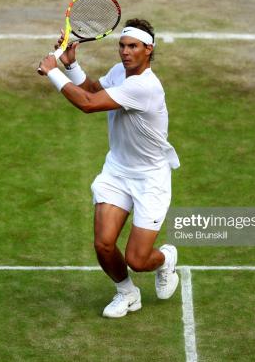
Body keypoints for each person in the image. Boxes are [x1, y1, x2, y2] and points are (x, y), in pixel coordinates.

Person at [37, 19, 180, 318]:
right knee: (103, 244)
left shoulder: (144, 87)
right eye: (123, 45)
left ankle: (165, 259)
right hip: (118, 171)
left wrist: (52, 71)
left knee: (138, 259)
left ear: (148, 50)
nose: (125, 52)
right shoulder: (120, 72)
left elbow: (88, 104)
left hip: (150, 179)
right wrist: (71, 66)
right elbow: (92, 89)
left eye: (133, 47)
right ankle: (127, 293)